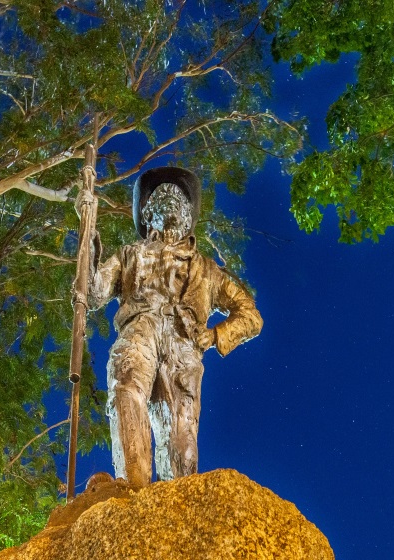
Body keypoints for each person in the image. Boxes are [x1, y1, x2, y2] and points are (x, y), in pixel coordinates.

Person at [77, 167, 263, 487]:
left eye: (177, 197)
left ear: (188, 215)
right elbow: (92, 292)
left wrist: (217, 334)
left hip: (183, 346)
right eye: (160, 196)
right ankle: (131, 488)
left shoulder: (208, 270)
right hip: (141, 328)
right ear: (147, 214)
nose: (169, 199)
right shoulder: (128, 256)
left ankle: (178, 502)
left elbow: (251, 316)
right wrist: (88, 235)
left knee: (181, 439)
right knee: (126, 380)